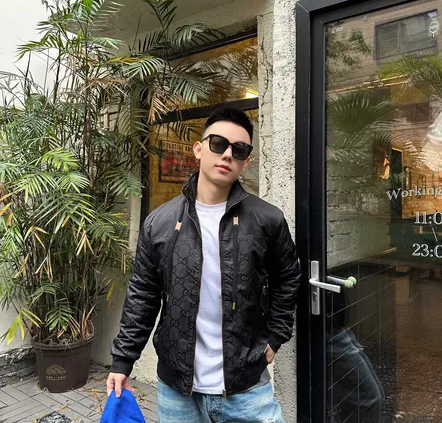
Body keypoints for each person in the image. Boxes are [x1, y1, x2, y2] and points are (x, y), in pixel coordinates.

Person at [106, 107, 301, 422]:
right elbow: (143, 294)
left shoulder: (267, 219)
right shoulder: (160, 223)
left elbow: (288, 278)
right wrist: (122, 361)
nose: (227, 154)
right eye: (218, 144)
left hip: (246, 386)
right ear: (199, 149)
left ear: (246, 161)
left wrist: (276, 336)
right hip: (177, 388)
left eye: (239, 150)